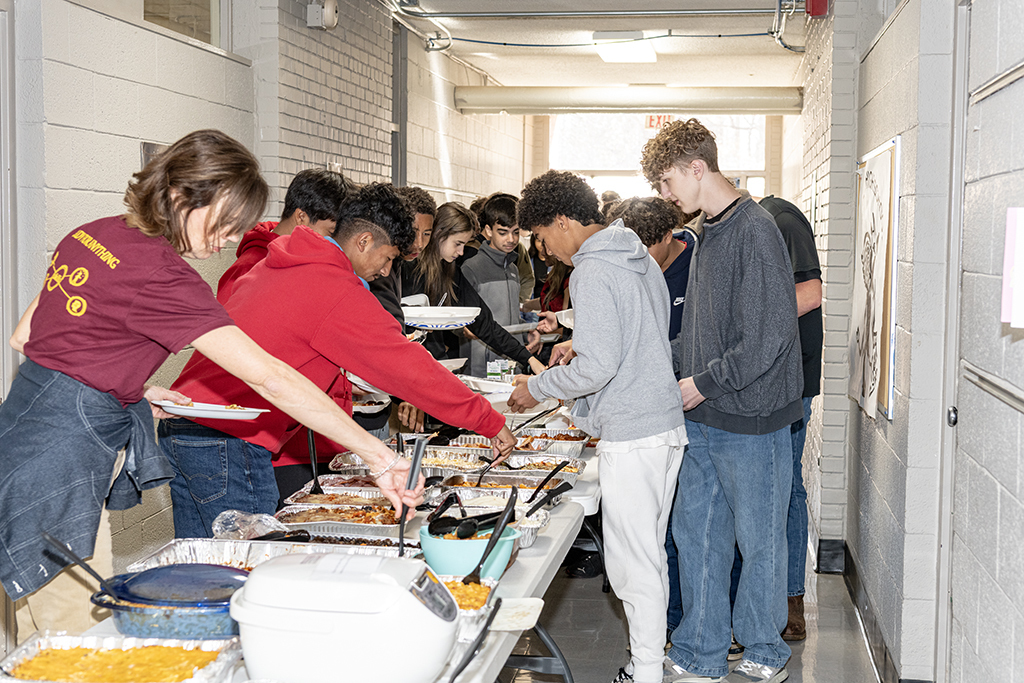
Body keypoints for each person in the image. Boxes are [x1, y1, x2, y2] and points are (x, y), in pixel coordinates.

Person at [0, 130, 420, 621]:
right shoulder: (165, 277)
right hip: (65, 459)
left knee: (28, 610)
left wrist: (127, 388)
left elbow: (27, 337)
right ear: (181, 197)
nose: (226, 239)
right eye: (223, 223)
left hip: (22, 430)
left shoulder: (93, 233)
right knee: (70, 626)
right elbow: (270, 377)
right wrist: (377, 455)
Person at [162, 183, 516, 537]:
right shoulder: (334, 286)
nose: (386, 271)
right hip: (230, 440)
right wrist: (488, 421)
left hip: (185, 426)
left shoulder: (283, 262)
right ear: (363, 241)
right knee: (251, 564)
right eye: (389, 257)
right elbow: (410, 370)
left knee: (202, 568)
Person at [507, 170, 687, 683]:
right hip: (662, 424)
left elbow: (600, 364)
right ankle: (647, 659)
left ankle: (647, 671)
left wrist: (537, 388)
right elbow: (632, 326)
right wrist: (573, 327)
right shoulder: (633, 254)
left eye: (542, 236)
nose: (543, 249)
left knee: (633, 566)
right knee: (648, 556)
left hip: (633, 432)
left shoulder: (591, 268)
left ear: (563, 221)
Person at [642, 118, 802, 683]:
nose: (666, 197)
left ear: (696, 168)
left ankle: (764, 650)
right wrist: (661, 362)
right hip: (704, 415)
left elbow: (767, 336)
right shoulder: (706, 232)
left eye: (667, 183)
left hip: (753, 417)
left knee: (759, 541)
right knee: (698, 537)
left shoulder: (756, 230)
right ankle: (699, 653)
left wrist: (701, 382)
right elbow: (702, 329)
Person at [604, 195, 696, 638]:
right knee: (653, 548)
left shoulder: (694, 268)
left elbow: (682, 343)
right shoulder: (643, 267)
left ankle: (660, 644)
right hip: (661, 412)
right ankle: (661, 637)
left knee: (658, 546)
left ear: (668, 236)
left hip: (676, 410)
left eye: (644, 244)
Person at [757, 195, 822, 641]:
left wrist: (749, 324)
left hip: (791, 379)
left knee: (789, 487)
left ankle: (791, 597)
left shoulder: (780, 220)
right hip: (759, 379)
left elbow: (810, 293)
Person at [407, 202, 546, 376]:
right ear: (439, 234)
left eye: (464, 244)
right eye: (458, 244)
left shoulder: (451, 274)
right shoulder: (409, 270)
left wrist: (528, 359)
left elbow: (485, 323)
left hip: (432, 364)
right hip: (407, 364)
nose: (461, 252)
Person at [217, 168, 352, 302]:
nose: (336, 243)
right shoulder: (249, 267)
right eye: (331, 232)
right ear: (301, 217)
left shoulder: (306, 258)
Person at [461, 193, 540, 376]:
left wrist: (526, 331)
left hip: (512, 364)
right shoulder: (471, 268)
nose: (511, 239)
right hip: (482, 367)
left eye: (516, 232)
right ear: (488, 230)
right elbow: (462, 323)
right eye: (503, 232)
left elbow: (508, 316)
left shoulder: (513, 268)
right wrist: (462, 329)